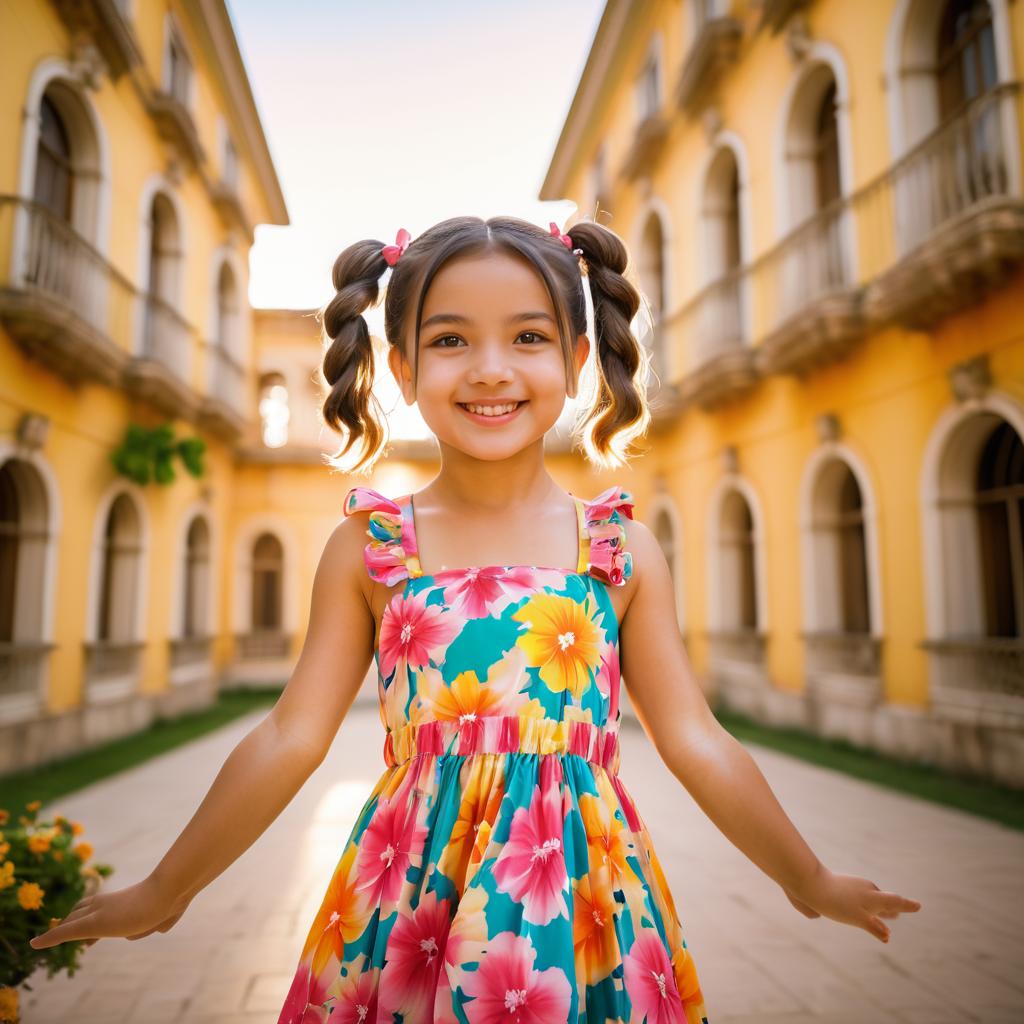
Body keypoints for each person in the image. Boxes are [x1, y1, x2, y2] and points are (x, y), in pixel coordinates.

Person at [29, 216, 922, 1023]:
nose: (491, 368)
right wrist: (165, 889)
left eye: (528, 337)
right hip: (407, 904)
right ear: (405, 370)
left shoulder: (617, 550)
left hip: (584, 908)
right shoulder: (373, 549)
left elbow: (694, 736)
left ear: (576, 362)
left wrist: (804, 878)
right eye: (451, 339)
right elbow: (288, 736)